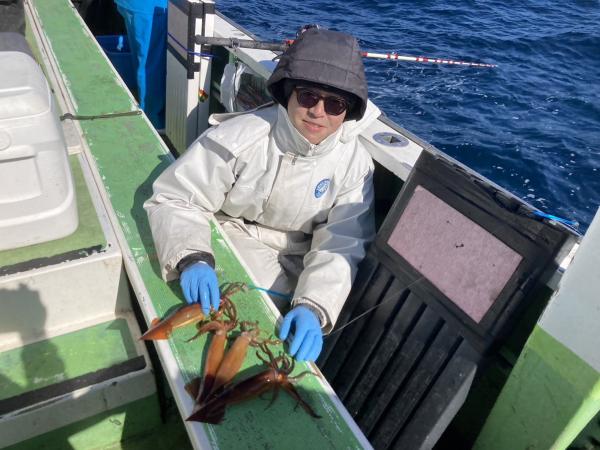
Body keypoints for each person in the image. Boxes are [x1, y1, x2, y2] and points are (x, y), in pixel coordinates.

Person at [144, 27, 380, 362]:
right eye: (308, 97)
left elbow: (341, 242)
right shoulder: (241, 136)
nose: (318, 111)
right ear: (288, 93)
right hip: (233, 237)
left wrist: (315, 305)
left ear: (348, 111)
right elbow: (178, 196)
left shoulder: (355, 165)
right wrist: (191, 256)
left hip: (301, 257)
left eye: (335, 104)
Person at [114, 0, 167, 130]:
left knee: (141, 58)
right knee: (151, 64)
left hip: (132, 5)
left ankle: (147, 110)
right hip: (150, 8)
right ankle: (152, 120)